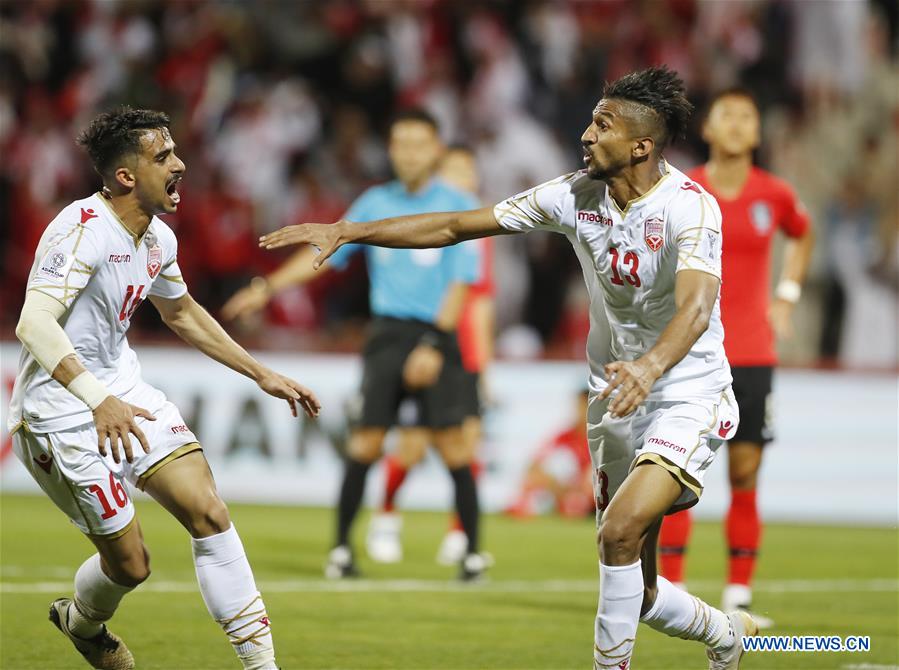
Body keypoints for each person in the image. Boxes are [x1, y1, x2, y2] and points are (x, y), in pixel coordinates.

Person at [259, 66, 758, 669]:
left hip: (682, 387)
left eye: (603, 125)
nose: (586, 134)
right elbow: (453, 225)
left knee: (617, 530)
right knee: (641, 589)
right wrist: (349, 231)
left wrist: (651, 367)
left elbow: (699, 305)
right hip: (614, 395)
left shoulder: (691, 208)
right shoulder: (574, 195)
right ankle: (727, 636)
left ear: (641, 146)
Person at [8, 107, 320, 670]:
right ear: (125, 176)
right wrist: (96, 398)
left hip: (125, 392)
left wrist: (261, 372)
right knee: (131, 565)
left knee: (209, 512)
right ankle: (82, 624)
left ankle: (263, 667)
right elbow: (33, 324)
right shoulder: (81, 231)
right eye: (163, 156)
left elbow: (182, 313)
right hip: (60, 413)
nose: (180, 163)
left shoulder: (158, 240)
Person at [222, 110, 488, 580]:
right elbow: (326, 254)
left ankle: (471, 553)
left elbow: (461, 284)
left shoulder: (458, 203)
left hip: (436, 334)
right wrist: (267, 288)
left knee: (453, 446)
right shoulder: (374, 202)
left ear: (436, 151)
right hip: (386, 333)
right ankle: (342, 550)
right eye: (400, 143)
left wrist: (433, 342)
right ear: (390, 150)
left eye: (418, 143)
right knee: (365, 443)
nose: (408, 152)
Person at [658, 88, 814, 624]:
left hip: (751, 352)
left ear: (757, 133)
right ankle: (668, 591)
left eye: (747, 116)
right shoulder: (684, 189)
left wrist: (787, 295)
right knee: (673, 471)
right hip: (692, 349)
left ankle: (739, 597)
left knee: (745, 474)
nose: (736, 124)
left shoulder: (775, 193)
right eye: (726, 115)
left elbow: (802, 233)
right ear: (708, 128)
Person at [367, 144, 495, 566]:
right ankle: (386, 517)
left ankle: (459, 536)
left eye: (467, 171)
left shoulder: (482, 234)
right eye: (453, 171)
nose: (462, 180)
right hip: (426, 348)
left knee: (466, 447)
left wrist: (484, 365)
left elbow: (481, 304)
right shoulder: (429, 227)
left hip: (465, 355)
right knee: (412, 445)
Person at [505, 388, 593, 518]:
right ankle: (524, 506)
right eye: (578, 406)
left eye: (583, 406)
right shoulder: (565, 436)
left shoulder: (601, 438)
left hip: (592, 489)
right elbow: (535, 462)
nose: (579, 411)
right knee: (534, 477)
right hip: (566, 487)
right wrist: (552, 480)